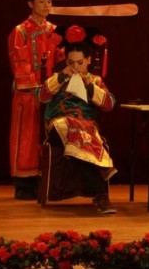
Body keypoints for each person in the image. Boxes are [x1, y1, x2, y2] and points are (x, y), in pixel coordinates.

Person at [39, 25, 117, 213]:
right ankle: (101, 189)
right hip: (60, 125)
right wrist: (62, 76)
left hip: (86, 127)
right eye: (71, 63)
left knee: (83, 133)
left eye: (80, 63)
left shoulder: (95, 81)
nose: (75, 67)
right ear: (66, 61)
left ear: (88, 60)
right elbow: (42, 96)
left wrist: (89, 87)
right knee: (70, 125)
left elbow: (109, 104)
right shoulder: (58, 78)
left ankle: (100, 194)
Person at [8, 0, 58, 200]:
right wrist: (36, 88)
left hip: (51, 92)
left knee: (48, 135)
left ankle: (46, 181)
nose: (46, 5)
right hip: (28, 94)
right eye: (41, 1)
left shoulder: (55, 31)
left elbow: (60, 60)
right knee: (26, 137)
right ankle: (23, 184)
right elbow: (20, 62)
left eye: (49, 1)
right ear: (30, 4)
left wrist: (54, 86)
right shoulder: (20, 31)